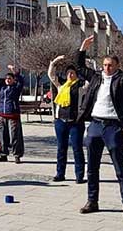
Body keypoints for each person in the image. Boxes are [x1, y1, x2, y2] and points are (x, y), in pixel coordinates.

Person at [76, 35, 123, 220]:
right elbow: (79, 67)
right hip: (94, 125)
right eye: (105, 65)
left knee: (120, 167)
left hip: (112, 127)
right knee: (92, 167)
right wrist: (82, 48)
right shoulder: (95, 77)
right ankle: (92, 201)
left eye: (110, 65)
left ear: (117, 66)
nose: (107, 68)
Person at [47, 55, 86, 183]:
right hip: (61, 121)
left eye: (72, 73)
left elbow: (91, 80)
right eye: (68, 73)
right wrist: (55, 62)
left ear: (76, 74)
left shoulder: (81, 86)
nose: (70, 75)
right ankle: (60, 174)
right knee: (61, 148)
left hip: (75, 122)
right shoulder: (61, 86)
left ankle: (79, 176)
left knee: (77, 148)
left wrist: (85, 64)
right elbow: (51, 75)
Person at [0, 64, 24, 163]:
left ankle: (17, 155)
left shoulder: (16, 88)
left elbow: (21, 81)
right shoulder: (2, 87)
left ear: (13, 80)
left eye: (10, 78)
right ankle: (3, 154)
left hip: (13, 115)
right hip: (2, 115)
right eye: (6, 78)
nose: (8, 80)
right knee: (1, 136)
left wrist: (15, 72)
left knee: (14, 136)